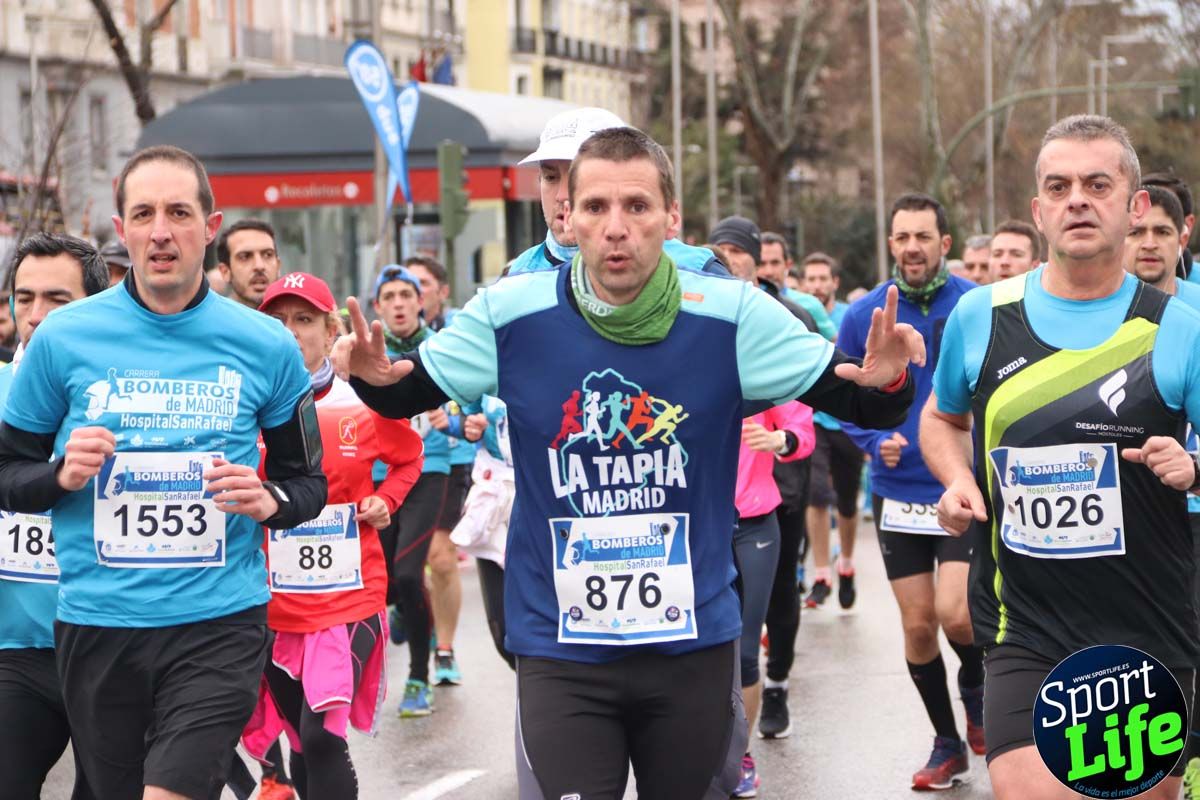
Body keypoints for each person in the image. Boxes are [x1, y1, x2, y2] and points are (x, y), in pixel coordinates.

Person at [333, 126, 924, 800]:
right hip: (562, 651)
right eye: (596, 208)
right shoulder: (510, 312)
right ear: (569, 218)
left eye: (637, 207)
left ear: (671, 219)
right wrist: (373, 377)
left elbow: (861, 400)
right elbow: (408, 390)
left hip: (691, 645)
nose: (617, 229)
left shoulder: (732, 314)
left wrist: (889, 383)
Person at [0, 145, 328, 800]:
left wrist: (268, 500)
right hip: (98, 625)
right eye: (143, 214)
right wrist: (61, 476)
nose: (161, 231)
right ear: (120, 232)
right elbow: (9, 471)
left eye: (179, 212)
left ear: (211, 225)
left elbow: (307, 484)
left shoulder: (266, 345)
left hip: (219, 624)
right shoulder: (64, 337)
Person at [922, 115, 1200, 800]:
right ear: (1038, 211)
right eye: (1059, 186)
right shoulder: (982, 317)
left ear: (1135, 207)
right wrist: (958, 477)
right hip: (1025, 627)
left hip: (1148, 624)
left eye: (1097, 183)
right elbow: (941, 417)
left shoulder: (1179, 328)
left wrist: (1196, 467)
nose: (1077, 198)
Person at [242, 272, 423, 799]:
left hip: (349, 596)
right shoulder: (245, 407)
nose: (292, 331)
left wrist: (382, 501)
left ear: (329, 329)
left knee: (322, 737)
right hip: (274, 603)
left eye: (304, 320)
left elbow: (409, 457)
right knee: (301, 739)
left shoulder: (357, 401)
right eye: (278, 321)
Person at [841, 193, 984, 789]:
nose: (911, 247)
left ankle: (976, 691)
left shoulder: (977, 306)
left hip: (959, 487)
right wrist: (875, 444)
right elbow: (841, 395)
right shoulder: (865, 315)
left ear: (944, 243)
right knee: (920, 626)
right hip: (897, 492)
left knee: (959, 615)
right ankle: (947, 743)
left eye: (923, 236)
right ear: (891, 243)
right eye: (901, 237)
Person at [0, 232, 107, 800]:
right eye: (24, 298)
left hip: (111, 644)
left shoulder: (129, 393)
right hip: (14, 651)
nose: (36, 317)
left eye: (57, 300)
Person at [368, 261, 456, 715]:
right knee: (383, 584)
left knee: (407, 573)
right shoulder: (368, 353)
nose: (399, 304)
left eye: (407, 295)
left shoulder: (442, 348)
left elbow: (475, 399)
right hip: (380, 478)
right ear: (377, 307)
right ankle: (403, 605)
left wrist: (457, 416)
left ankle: (418, 676)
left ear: (421, 302)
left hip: (429, 471)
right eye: (390, 298)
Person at [508, 106, 728, 277]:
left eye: (579, 177)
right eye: (551, 177)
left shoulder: (698, 271)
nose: (562, 195)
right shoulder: (519, 276)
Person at [731, 401, 814, 797]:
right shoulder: (686, 361)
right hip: (697, 525)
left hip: (756, 521)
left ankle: (740, 756)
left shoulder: (760, 363)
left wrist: (778, 439)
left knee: (746, 650)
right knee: (702, 649)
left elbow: (801, 429)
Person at [449, 395, 516, 669]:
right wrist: (468, 424)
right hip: (495, 498)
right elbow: (460, 416)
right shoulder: (486, 360)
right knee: (503, 633)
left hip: (545, 501)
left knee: (550, 626)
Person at [217, 218, 281, 309]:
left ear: (278, 266)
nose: (259, 266)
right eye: (245, 257)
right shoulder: (211, 321)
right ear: (225, 271)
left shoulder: (297, 320)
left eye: (268, 255)